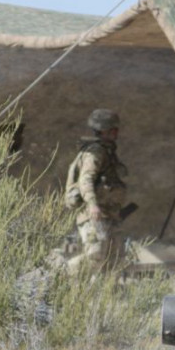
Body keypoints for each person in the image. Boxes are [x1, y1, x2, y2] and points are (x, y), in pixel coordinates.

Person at [63, 108, 128, 271]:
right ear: (105, 130)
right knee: (95, 257)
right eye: (113, 129)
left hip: (109, 215)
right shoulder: (95, 152)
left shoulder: (107, 151)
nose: (116, 133)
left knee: (113, 262)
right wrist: (92, 204)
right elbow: (86, 179)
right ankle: (60, 272)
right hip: (95, 215)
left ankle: (100, 295)